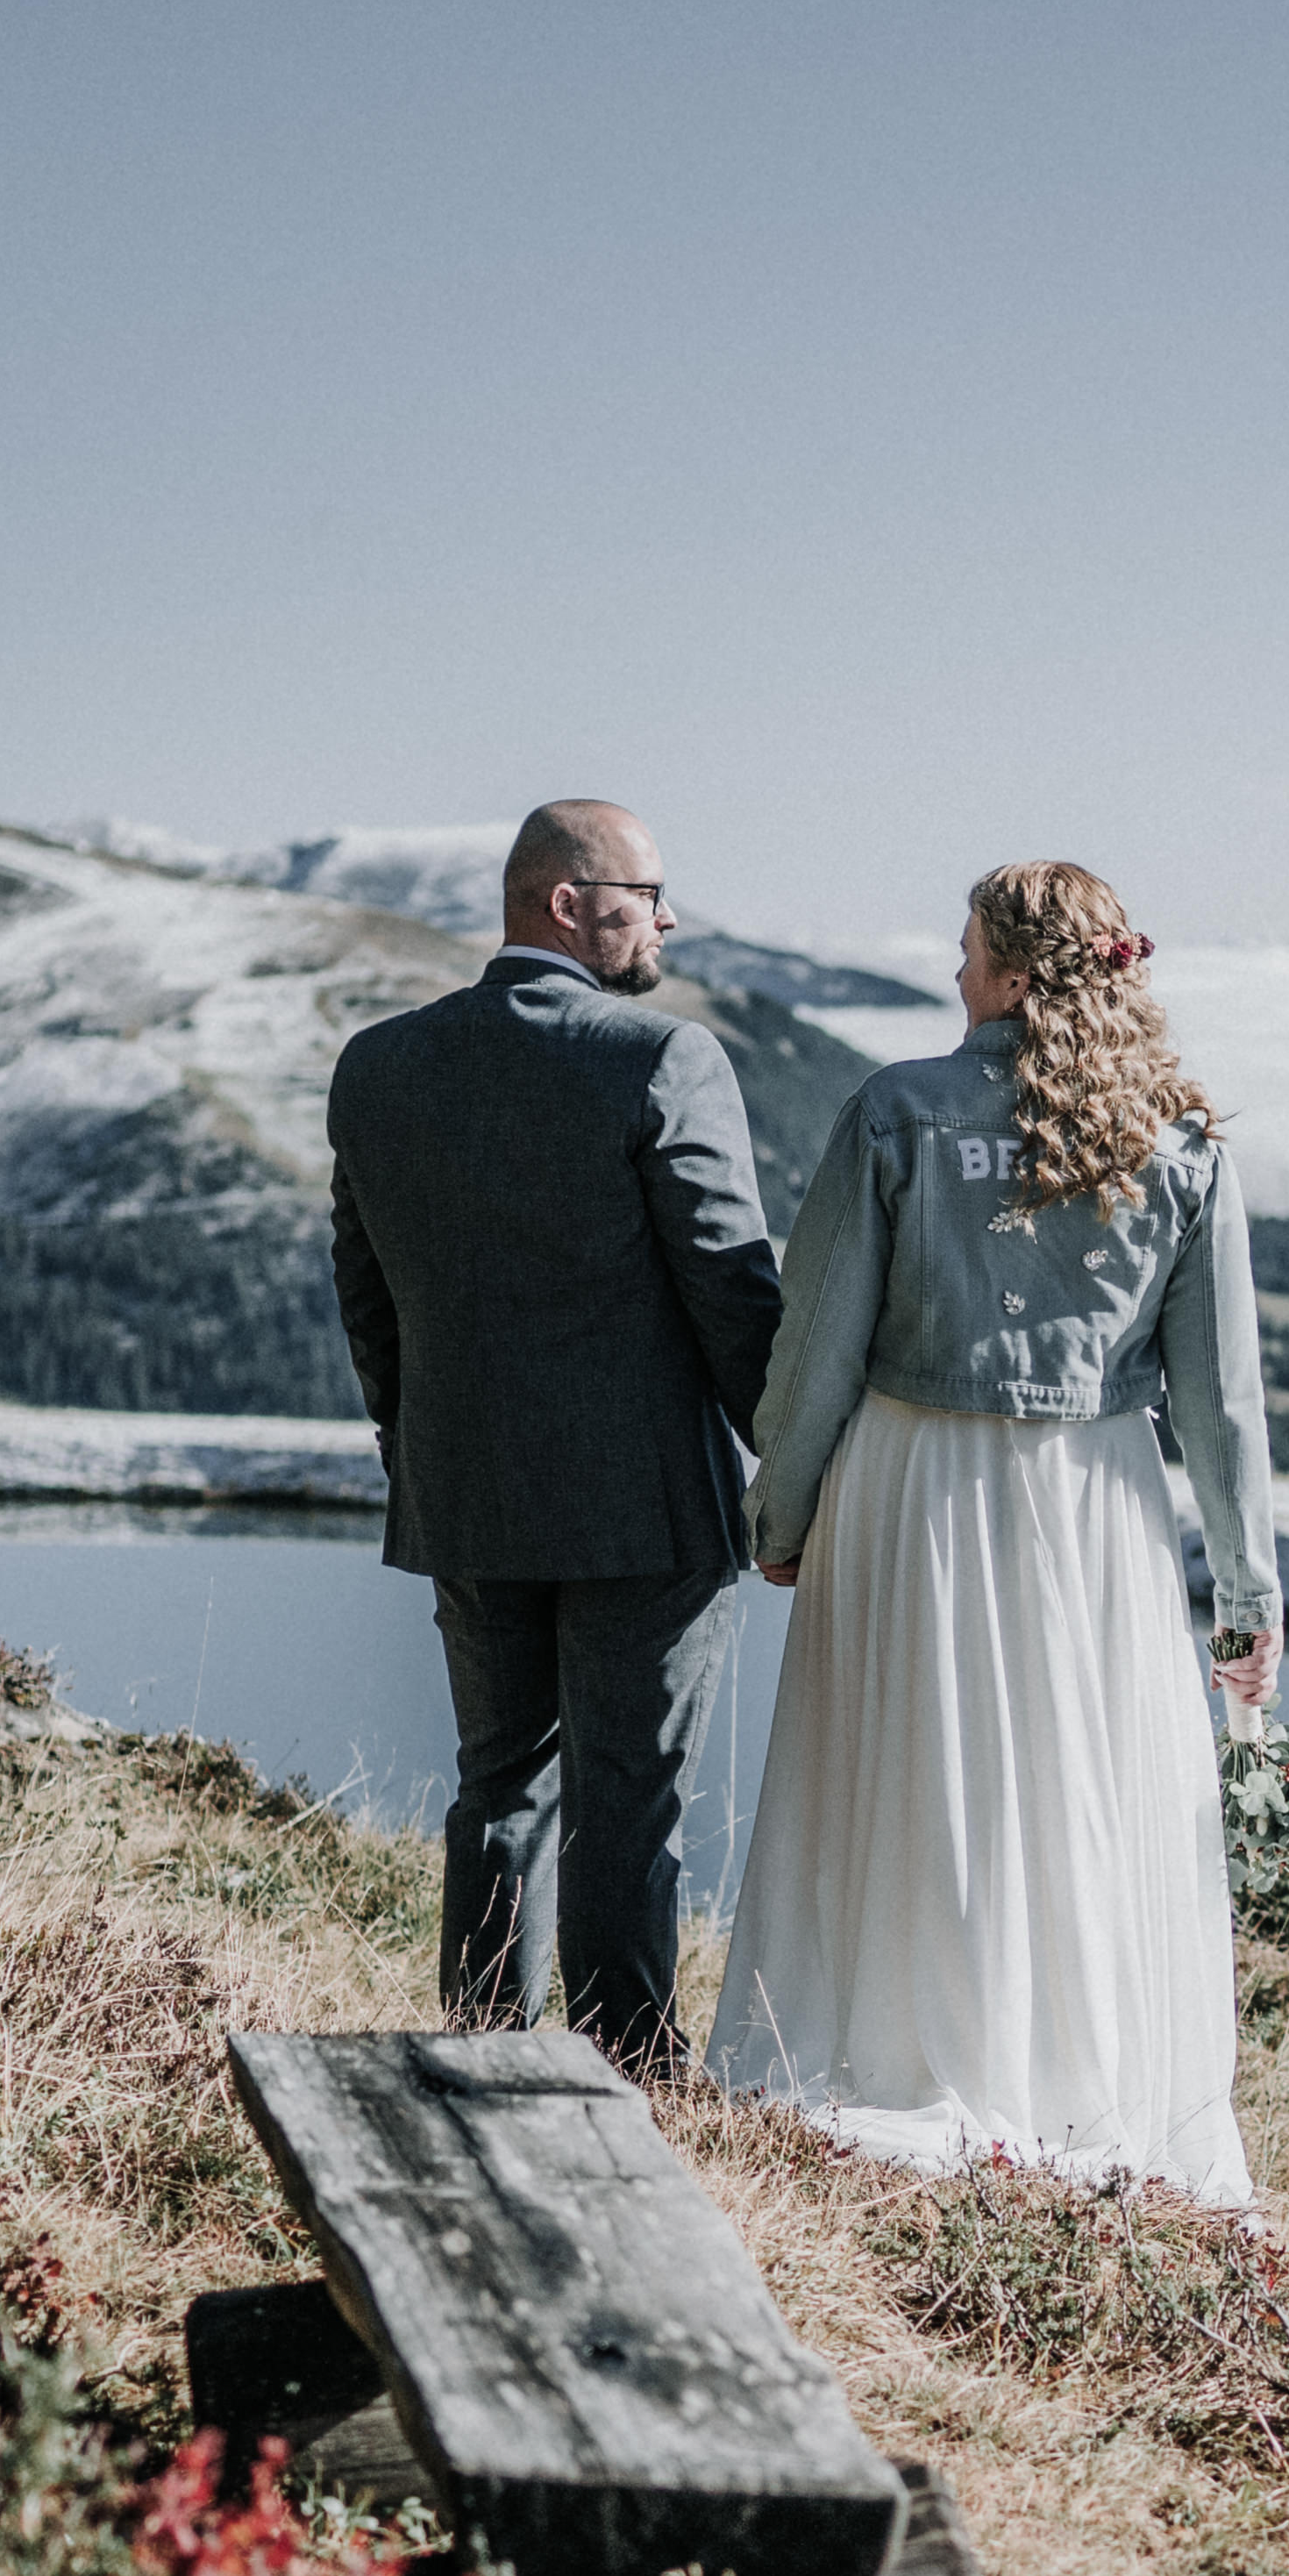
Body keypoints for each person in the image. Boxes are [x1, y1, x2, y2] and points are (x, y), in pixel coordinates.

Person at [718, 858, 1278, 2198]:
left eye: (969, 950)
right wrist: (1248, 1595)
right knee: (1080, 1782)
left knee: (912, 1767)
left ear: (1017, 975)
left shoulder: (896, 1112)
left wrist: (779, 1514)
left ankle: (898, 2047)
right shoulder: (1184, 1144)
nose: (955, 972)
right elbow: (1222, 1401)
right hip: (1099, 1503)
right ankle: (1072, 2083)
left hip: (914, 1484)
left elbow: (817, 1347)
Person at [325, 796, 783, 2065]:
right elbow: (733, 1291)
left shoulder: (378, 1064)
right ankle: (628, 2080)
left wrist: (417, 1449)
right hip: (647, 1509)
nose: (668, 920)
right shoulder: (663, 1058)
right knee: (628, 1806)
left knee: (498, 1789)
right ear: (569, 903)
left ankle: (484, 2057)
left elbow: (366, 1294)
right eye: (649, 896)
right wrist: (794, 1471)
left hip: (465, 1493)